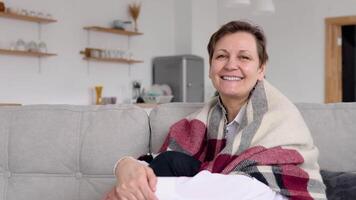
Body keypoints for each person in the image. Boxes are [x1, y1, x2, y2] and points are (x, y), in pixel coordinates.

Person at [103, 20, 327, 200]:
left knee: (244, 187)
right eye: (221, 56)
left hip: (271, 191)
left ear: (261, 69)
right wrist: (125, 166)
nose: (231, 65)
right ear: (211, 68)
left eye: (244, 57)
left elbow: (250, 189)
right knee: (167, 163)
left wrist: (145, 190)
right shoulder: (203, 120)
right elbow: (165, 163)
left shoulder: (280, 116)